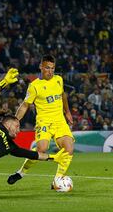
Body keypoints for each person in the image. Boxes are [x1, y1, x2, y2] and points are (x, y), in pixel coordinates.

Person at [7, 54, 74, 187]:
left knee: (69, 148)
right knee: (41, 149)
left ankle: (57, 180)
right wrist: (15, 120)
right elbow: (25, 105)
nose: (50, 71)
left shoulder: (58, 80)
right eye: (47, 68)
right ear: (41, 67)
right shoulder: (34, 86)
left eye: (53, 68)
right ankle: (21, 172)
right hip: (44, 122)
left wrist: (67, 112)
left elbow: (63, 96)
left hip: (60, 121)